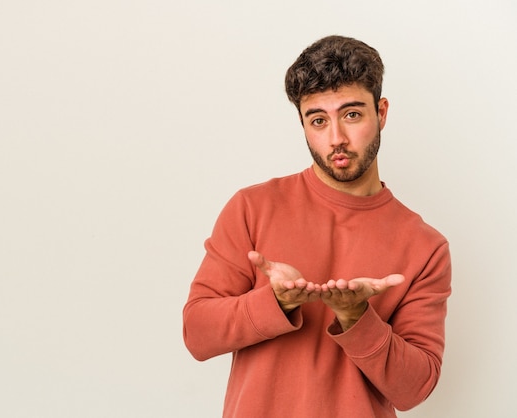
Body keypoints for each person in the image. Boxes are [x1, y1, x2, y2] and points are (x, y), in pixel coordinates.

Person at [182, 35, 452, 418]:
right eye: (319, 120)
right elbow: (197, 334)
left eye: (352, 114)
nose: (336, 138)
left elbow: (414, 389)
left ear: (382, 113)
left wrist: (358, 317)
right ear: (303, 124)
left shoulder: (425, 246)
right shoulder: (252, 208)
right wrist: (277, 301)